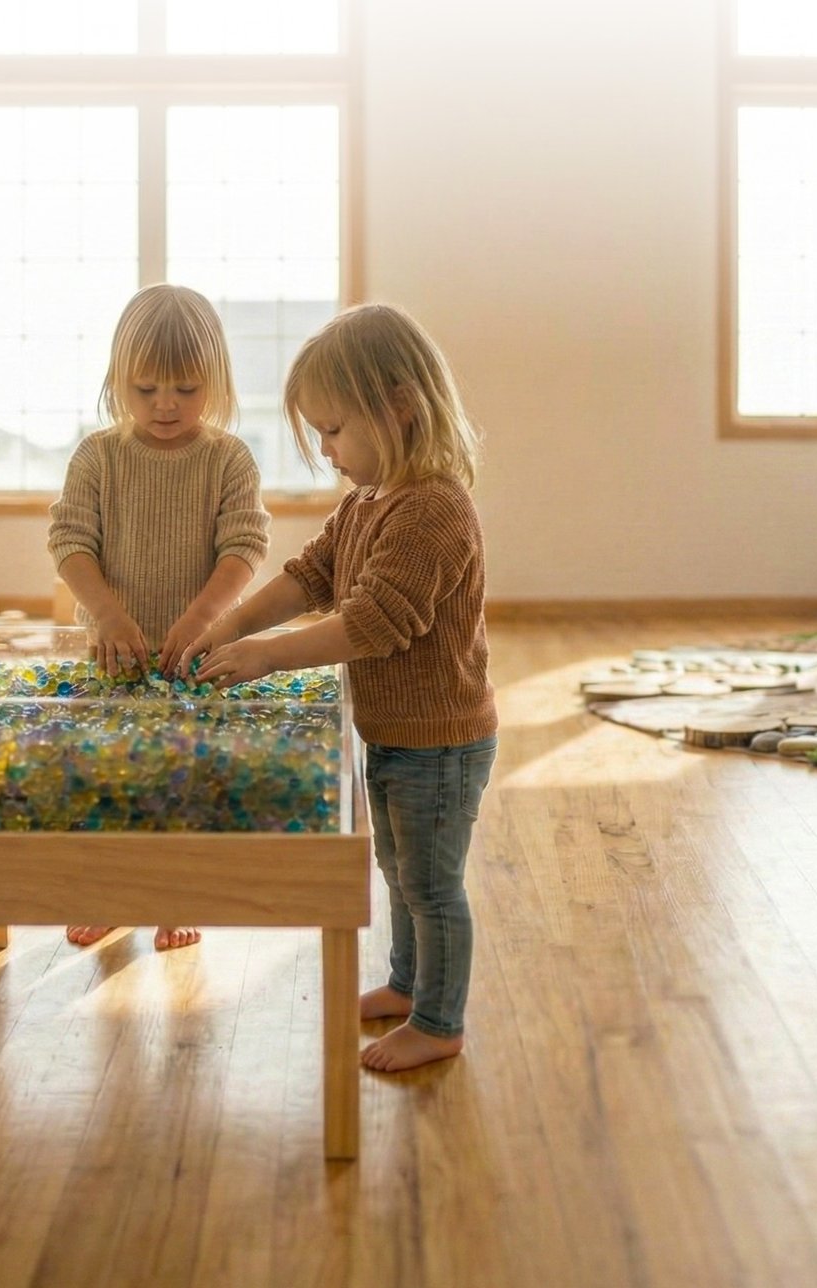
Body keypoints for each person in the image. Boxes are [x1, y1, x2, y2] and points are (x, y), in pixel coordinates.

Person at [183, 303, 496, 1073]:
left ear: (399, 408)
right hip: (393, 731)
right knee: (396, 866)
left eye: (333, 429)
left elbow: (374, 623)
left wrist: (266, 657)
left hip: (443, 740)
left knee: (431, 881)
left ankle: (439, 1019)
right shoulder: (367, 502)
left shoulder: (433, 509)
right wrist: (226, 627)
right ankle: (404, 982)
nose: (326, 451)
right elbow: (308, 577)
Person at [47, 283, 271, 951]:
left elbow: (244, 547)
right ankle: (109, 895)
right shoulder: (98, 456)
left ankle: (176, 899)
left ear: (218, 383)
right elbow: (70, 543)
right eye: (146, 389)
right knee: (109, 777)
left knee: (184, 779)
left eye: (185, 388)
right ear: (118, 381)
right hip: (115, 659)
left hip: (196, 661)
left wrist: (203, 618)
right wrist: (110, 616)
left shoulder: (228, 458)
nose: (166, 404)